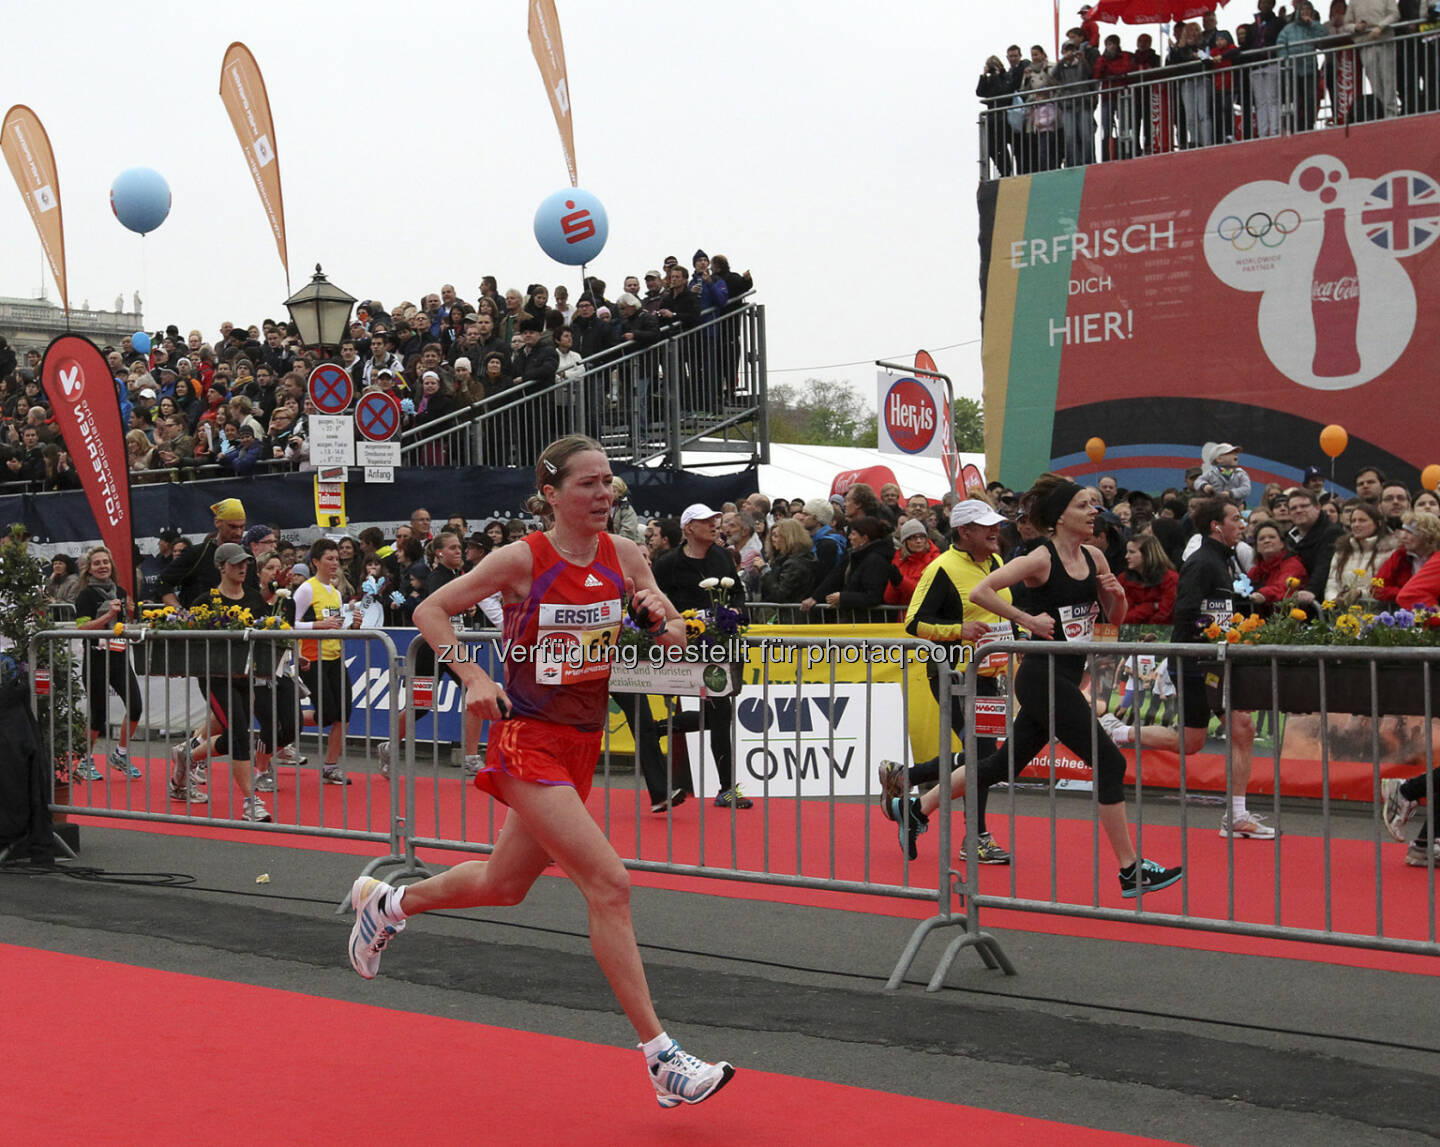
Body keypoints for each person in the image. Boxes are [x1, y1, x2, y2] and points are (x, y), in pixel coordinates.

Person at [345, 436, 735, 1108]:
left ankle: (389, 903)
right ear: (551, 494)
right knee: (609, 882)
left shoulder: (626, 553)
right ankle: (661, 1057)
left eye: (609, 481)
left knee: (503, 884)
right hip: (527, 740)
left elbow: (664, 621)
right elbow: (429, 610)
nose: (603, 493)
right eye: (587, 483)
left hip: (581, 741)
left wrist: (667, 620)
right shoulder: (523, 557)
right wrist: (468, 671)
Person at [968, 476, 1186, 896]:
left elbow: (1108, 630)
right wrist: (1027, 622)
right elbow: (982, 591)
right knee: (1111, 763)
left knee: (1000, 767)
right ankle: (1130, 870)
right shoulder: (1039, 557)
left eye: (1095, 505)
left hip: (1067, 675)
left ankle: (915, 804)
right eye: (1086, 505)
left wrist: (1118, 599)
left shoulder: (1095, 559)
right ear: (1061, 516)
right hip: (1038, 675)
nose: (1095, 512)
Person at [1102, 498, 1274, 841]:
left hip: (1209, 662)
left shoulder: (1224, 561)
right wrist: (1213, 638)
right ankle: (1237, 815)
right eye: (1235, 519)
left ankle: (1117, 731)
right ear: (1216, 526)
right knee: (1242, 726)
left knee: (1193, 741)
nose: (1242, 525)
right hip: (1198, 664)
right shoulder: (1201, 563)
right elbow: (1184, 613)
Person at [880, 499, 1015, 866]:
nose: (995, 531)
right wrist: (960, 631)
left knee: (982, 755)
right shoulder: (941, 568)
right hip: (952, 676)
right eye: (986, 526)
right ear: (964, 532)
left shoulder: (998, 563)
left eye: (996, 524)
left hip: (988, 676)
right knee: (984, 756)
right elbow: (913, 623)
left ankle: (905, 777)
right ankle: (976, 838)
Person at [652, 504, 752, 808]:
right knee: (721, 713)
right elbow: (653, 599)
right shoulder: (667, 564)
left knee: (721, 713)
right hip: (686, 647)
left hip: (722, 643)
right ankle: (726, 789)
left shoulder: (722, 555)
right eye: (705, 521)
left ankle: (660, 728)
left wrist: (737, 610)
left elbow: (737, 592)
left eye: (715, 520)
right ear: (688, 529)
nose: (713, 524)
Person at [169, 544, 273, 822]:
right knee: (239, 734)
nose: (242, 567)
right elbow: (188, 639)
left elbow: (269, 631)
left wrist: (292, 659)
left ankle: (187, 755)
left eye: (245, 563)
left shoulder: (254, 597)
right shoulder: (205, 601)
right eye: (236, 563)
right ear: (221, 567)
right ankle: (251, 802)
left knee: (233, 736)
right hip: (214, 678)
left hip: (245, 676)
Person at [379, 530, 486, 780]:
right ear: (439, 553)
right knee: (420, 705)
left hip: (452, 648)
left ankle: (471, 757)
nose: (458, 551)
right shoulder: (437, 578)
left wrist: (467, 609)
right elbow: (439, 608)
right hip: (431, 649)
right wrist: (464, 605)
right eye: (452, 548)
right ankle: (389, 746)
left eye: (460, 547)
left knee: (475, 692)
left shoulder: (456, 575)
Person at [72, 546, 144, 783]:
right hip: (95, 658)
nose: (102, 566)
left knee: (136, 706)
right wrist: (106, 617)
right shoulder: (85, 595)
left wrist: (134, 622)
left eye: (106, 562)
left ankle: (121, 755)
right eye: (97, 563)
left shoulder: (121, 592)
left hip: (120, 657)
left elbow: (121, 627)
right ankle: (85, 761)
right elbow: (82, 628)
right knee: (98, 715)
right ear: (89, 569)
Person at [294, 538, 361, 785]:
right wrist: (317, 625)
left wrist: (353, 625)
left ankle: (330, 766)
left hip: (335, 657)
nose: (335, 563)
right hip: (312, 658)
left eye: (336, 559)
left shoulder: (334, 592)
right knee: (326, 714)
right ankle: (284, 723)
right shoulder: (306, 589)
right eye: (329, 559)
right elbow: (289, 623)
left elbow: (337, 625)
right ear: (315, 562)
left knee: (343, 714)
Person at [801, 516, 898, 620]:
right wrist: (816, 597)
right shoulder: (855, 555)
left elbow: (873, 596)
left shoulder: (875, 560)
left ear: (864, 538)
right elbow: (836, 576)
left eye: (853, 534)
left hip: (870, 622)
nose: (850, 537)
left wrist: (843, 598)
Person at [155, 498, 246, 605]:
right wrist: (180, 613)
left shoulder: (247, 557)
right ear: (217, 522)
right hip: (201, 619)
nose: (238, 533)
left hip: (239, 619)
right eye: (232, 527)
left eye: (242, 526)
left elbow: (255, 595)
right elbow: (162, 583)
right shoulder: (197, 554)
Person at [1324, 501, 1395, 606]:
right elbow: (1332, 583)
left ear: (1378, 523)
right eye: (1353, 521)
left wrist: (1360, 594)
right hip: (1341, 615)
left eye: (1362, 520)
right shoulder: (1342, 551)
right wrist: (1335, 600)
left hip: (1375, 613)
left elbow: (1386, 588)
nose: (1356, 525)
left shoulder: (1390, 552)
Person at [1247, 522, 1309, 611]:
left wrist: (1263, 595)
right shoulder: (1255, 571)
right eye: (1261, 539)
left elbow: (1283, 588)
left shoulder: (1293, 565)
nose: (1267, 541)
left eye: (1272, 537)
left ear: (1282, 544)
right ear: (1257, 547)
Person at [1121, 534, 1179, 623]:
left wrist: (1140, 609)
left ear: (1147, 554)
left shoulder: (1170, 579)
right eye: (1127, 552)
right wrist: (1151, 606)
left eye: (1132, 552)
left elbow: (1165, 614)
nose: (1126, 556)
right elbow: (1123, 617)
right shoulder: (1123, 579)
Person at [886, 518, 941, 606]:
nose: (919, 541)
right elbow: (889, 600)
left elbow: (927, 594)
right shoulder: (899, 561)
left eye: (922, 537)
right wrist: (894, 585)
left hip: (926, 616)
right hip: (904, 617)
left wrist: (902, 581)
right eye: (913, 537)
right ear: (905, 542)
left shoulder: (935, 560)